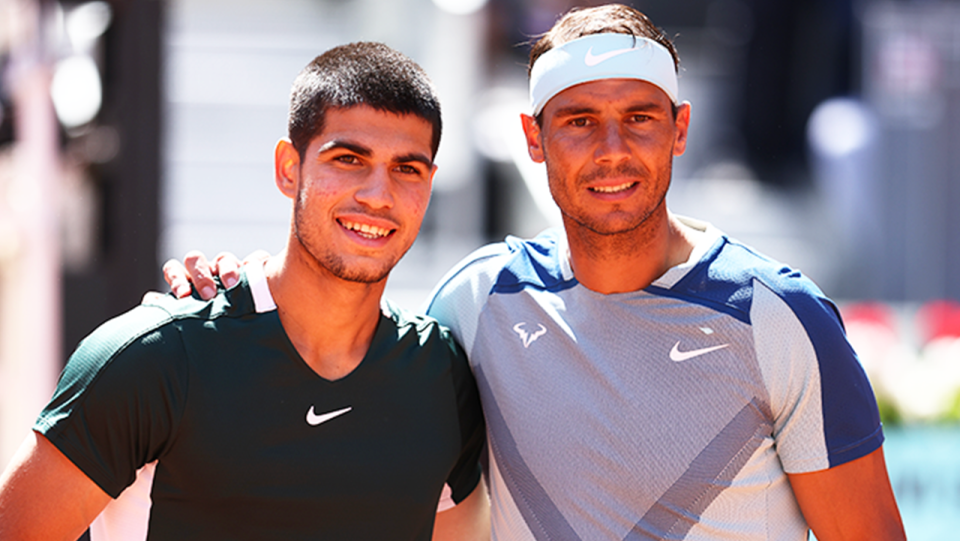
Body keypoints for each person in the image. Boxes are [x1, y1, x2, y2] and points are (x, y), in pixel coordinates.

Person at [161, 4, 906, 540]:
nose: (612, 148)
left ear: (679, 128)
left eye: (639, 117)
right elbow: (337, 341)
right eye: (579, 120)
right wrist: (246, 282)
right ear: (534, 138)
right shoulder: (478, 300)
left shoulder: (780, 316)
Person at [0, 42, 489, 541]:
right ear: (288, 168)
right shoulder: (154, 358)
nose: (377, 195)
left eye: (406, 169)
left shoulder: (441, 375)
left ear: (429, 183)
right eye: (348, 159)